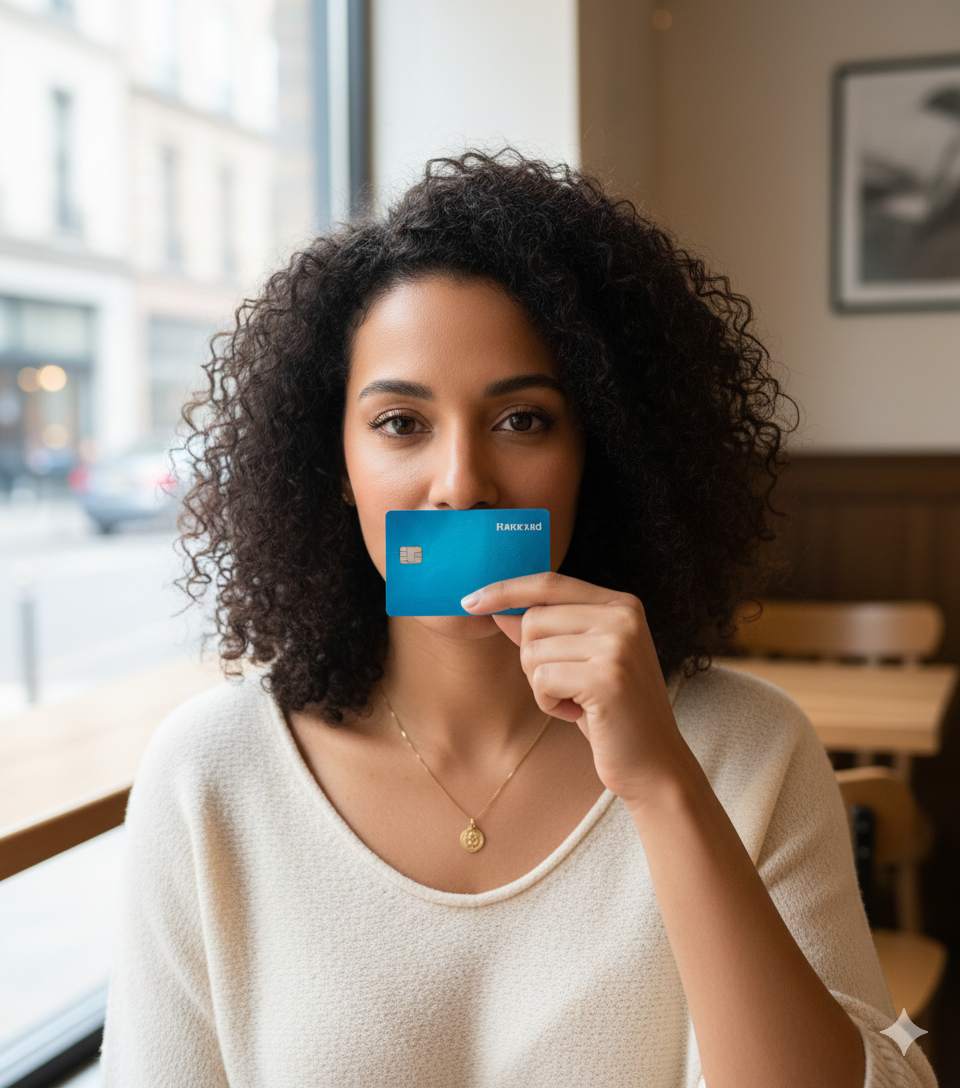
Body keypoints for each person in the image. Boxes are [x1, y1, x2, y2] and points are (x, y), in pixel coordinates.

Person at [99, 147, 938, 1087]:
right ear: (334, 464)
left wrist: (664, 784)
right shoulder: (208, 775)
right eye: (399, 424)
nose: (461, 484)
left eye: (523, 420)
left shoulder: (749, 750)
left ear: (602, 452)